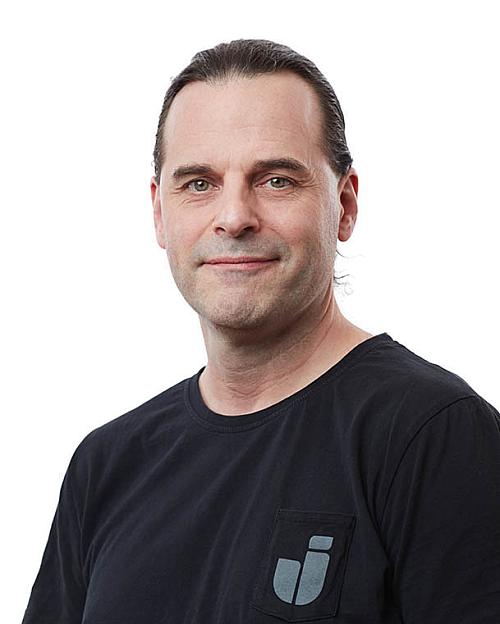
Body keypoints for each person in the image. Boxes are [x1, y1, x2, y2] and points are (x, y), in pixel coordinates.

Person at [22, 38, 500, 624]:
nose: (234, 217)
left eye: (276, 180)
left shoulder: (433, 435)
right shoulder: (106, 465)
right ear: (160, 212)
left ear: (345, 205)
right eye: (199, 184)